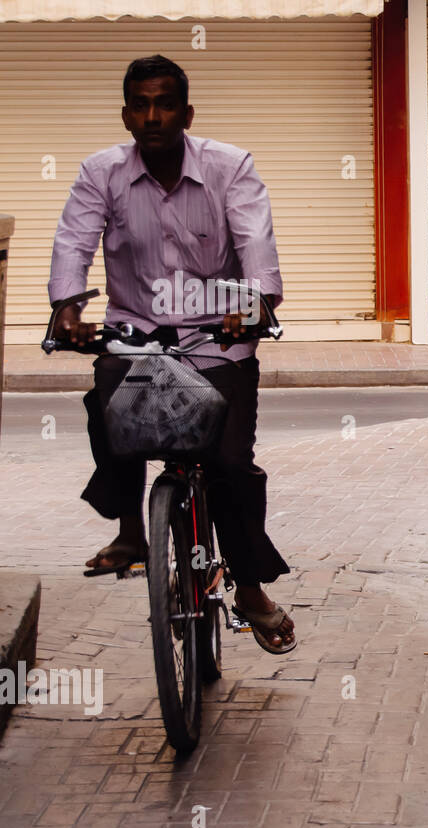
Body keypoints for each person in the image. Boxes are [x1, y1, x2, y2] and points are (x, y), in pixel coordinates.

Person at [48, 55, 296, 653]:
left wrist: (256, 301)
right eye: (140, 104)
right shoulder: (100, 173)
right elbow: (74, 242)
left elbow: (256, 245)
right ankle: (135, 531)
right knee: (107, 399)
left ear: (187, 113)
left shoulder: (229, 167)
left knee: (231, 466)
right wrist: (68, 308)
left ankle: (252, 588)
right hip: (138, 334)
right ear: (127, 114)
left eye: (164, 104)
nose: (152, 115)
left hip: (218, 341)